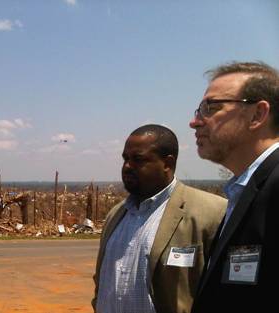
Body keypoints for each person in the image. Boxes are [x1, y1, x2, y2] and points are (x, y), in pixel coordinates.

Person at [92, 124, 226, 313]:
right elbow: (102, 281)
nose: (127, 166)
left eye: (138, 159)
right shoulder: (116, 215)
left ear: (167, 164)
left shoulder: (210, 212)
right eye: (125, 158)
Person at [189, 61, 279, 312]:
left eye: (211, 108)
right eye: (199, 110)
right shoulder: (245, 190)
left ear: (257, 114)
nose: (195, 122)